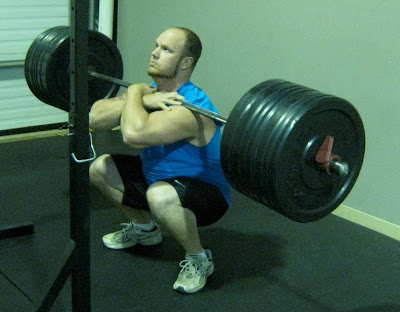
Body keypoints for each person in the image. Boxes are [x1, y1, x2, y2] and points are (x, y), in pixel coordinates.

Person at [88, 27, 231, 294]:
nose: (154, 53)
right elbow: (94, 118)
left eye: (166, 50)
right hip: (157, 176)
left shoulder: (189, 106)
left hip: (206, 195)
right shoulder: (154, 93)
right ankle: (144, 229)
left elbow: (133, 134)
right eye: (157, 46)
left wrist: (135, 93)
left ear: (186, 63)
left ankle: (199, 259)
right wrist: (145, 96)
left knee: (160, 195)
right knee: (100, 168)